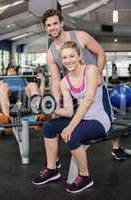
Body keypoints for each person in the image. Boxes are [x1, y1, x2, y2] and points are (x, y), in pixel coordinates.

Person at [41, 8, 131, 160]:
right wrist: (57, 103)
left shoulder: (80, 36)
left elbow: (101, 53)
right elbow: (56, 80)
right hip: (73, 89)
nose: (52, 28)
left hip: (95, 86)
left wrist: (97, 74)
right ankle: (53, 161)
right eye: (49, 25)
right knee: (68, 118)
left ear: (62, 23)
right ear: (46, 28)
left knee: (107, 117)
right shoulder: (51, 53)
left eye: (55, 23)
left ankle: (116, 148)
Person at [32, 41, 112, 193]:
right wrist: (52, 109)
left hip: (99, 119)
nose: (68, 60)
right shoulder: (64, 82)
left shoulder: (91, 70)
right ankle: (52, 169)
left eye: (71, 56)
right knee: (49, 126)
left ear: (79, 56)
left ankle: (85, 176)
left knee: (72, 135)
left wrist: (71, 125)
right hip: (81, 117)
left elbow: (88, 100)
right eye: (64, 57)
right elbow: (69, 111)